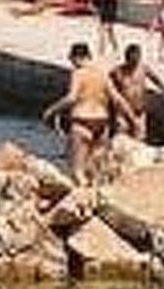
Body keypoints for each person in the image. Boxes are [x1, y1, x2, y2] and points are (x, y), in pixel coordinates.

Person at [42, 43, 134, 184]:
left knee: (78, 170)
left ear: (76, 57)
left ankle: (81, 199)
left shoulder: (78, 73)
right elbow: (117, 99)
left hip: (82, 123)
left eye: (72, 60)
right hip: (102, 124)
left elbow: (71, 97)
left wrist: (51, 111)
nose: (72, 64)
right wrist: (132, 120)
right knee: (94, 171)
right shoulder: (102, 74)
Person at [109, 43, 164, 143]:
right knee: (122, 137)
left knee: (139, 138)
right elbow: (108, 86)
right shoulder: (117, 71)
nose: (134, 64)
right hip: (123, 111)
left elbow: (155, 79)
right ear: (127, 58)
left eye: (136, 60)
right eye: (131, 60)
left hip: (139, 110)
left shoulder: (143, 69)